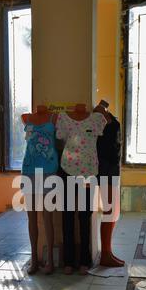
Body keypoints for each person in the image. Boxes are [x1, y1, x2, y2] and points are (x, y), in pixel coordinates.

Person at [56, 104, 107, 275]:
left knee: (85, 215)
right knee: (68, 215)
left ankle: (85, 260)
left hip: (89, 173)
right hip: (67, 170)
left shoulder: (97, 119)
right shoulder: (63, 118)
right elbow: (60, 137)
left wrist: (101, 108)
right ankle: (68, 261)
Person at [21, 105, 58, 275]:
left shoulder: (54, 117)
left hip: (49, 170)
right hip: (29, 170)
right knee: (31, 218)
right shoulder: (26, 118)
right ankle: (34, 259)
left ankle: (50, 259)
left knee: (47, 217)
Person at [94, 100, 125, 267]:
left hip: (112, 168)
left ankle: (108, 251)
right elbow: (98, 109)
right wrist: (103, 109)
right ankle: (105, 254)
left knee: (112, 212)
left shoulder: (105, 115)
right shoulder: (98, 113)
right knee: (109, 211)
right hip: (105, 168)